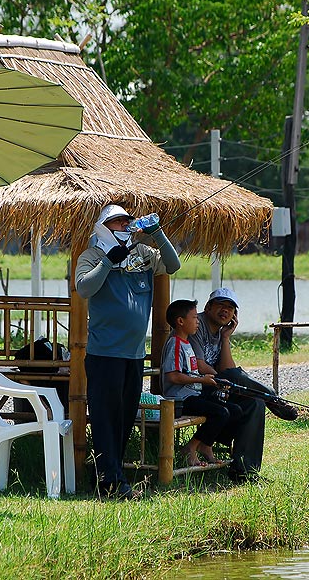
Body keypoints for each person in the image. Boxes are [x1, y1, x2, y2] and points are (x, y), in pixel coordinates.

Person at [75, 204, 181, 499]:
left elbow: (173, 265)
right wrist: (109, 262)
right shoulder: (92, 256)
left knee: (123, 418)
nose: (124, 226)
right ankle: (110, 482)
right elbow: (84, 288)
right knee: (105, 418)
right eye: (117, 222)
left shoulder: (143, 254)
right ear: (103, 227)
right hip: (104, 354)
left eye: (126, 222)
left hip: (134, 354)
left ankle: (113, 477)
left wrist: (157, 233)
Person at [190, 287, 298, 482]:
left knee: (255, 403)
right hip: (195, 388)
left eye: (230, 308)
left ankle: (244, 471)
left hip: (215, 388)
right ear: (208, 307)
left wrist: (225, 338)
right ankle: (271, 396)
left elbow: (227, 367)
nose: (225, 310)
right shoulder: (196, 325)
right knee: (235, 377)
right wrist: (224, 378)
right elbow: (198, 365)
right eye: (221, 305)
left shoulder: (221, 332)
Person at [161, 299, 244, 467]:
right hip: (180, 399)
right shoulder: (176, 344)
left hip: (194, 394)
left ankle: (206, 445)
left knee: (235, 410)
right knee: (220, 413)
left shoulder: (187, 343)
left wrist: (215, 381)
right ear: (180, 321)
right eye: (194, 318)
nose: (198, 321)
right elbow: (173, 377)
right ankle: (191, 448)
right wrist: (202, 379)